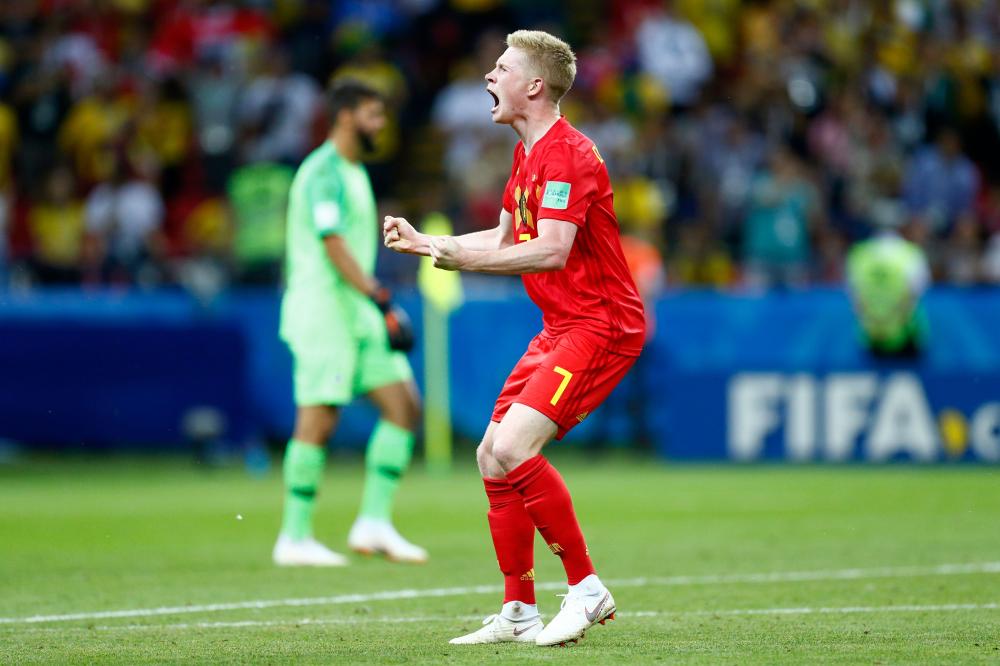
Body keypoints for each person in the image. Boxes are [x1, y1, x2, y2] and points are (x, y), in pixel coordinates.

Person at [384, 30, 645, 647]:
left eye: (500, 69)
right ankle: (519, 609)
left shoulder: (571, 155)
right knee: (490, 454)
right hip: (559, 327)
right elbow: (504, 239)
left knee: (516, 446)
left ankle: (586, 588)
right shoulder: (527, 154)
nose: (488, 78)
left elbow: (552, 250)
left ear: (534, 85)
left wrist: (458, 263)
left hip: (601, 324)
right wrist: (431, 244)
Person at [274, 79, 426, 567]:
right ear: (345, 116)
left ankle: (374, 523)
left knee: (403, 406)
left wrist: (373, 304)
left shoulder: (353, 171)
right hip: (324, 312)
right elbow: (332, 243)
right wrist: (379, 295)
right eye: (372, 115)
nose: (380, 124)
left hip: (356, 312)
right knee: (319, 418)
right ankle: (294, 537)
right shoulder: (323, 172)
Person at [846, 200, 931, 358]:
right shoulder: (911, 254)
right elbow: (916, 295)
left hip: (870, 336)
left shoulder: (858, 255)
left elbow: (855, 299)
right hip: (905, 337)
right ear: (901, 225)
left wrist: (877, 321)